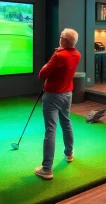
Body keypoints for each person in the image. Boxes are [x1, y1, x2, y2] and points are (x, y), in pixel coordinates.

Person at [35, 28, 81, 179]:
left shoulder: (58, 56)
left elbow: (42, 74)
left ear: (65, 41)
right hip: (67, 94)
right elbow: (64, 60)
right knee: (66, 123)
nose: (59, 38)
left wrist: (55, 56)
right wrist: (60, 52)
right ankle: (69, 153)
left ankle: (47, 169)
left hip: (53, 96)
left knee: (50, 129)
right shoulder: (76, 54)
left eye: (61, 37)